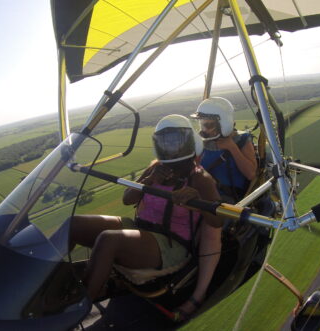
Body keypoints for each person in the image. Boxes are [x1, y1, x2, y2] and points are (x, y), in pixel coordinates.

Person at [69, 114, 223, 321]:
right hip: (140, 228)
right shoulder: (155, 167)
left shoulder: (200, 178)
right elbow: (127, 199)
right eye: (166, 142)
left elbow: (217, 221)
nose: (171, 148)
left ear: (189, 143)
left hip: (170, 244)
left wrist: (197, 201)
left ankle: (80, 309)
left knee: (108, 239)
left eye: (176, 142)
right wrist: (149, 180)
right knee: (74, 224)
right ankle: (42, 288)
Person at [191, 97, 257, 203]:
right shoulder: (201, 142)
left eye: (209, 125)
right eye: (202, 124)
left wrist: (232, 147)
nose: (204, 130)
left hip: (229, 200)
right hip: (205, 194)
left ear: (224, 123)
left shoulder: (241, 140)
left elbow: (251, 174)